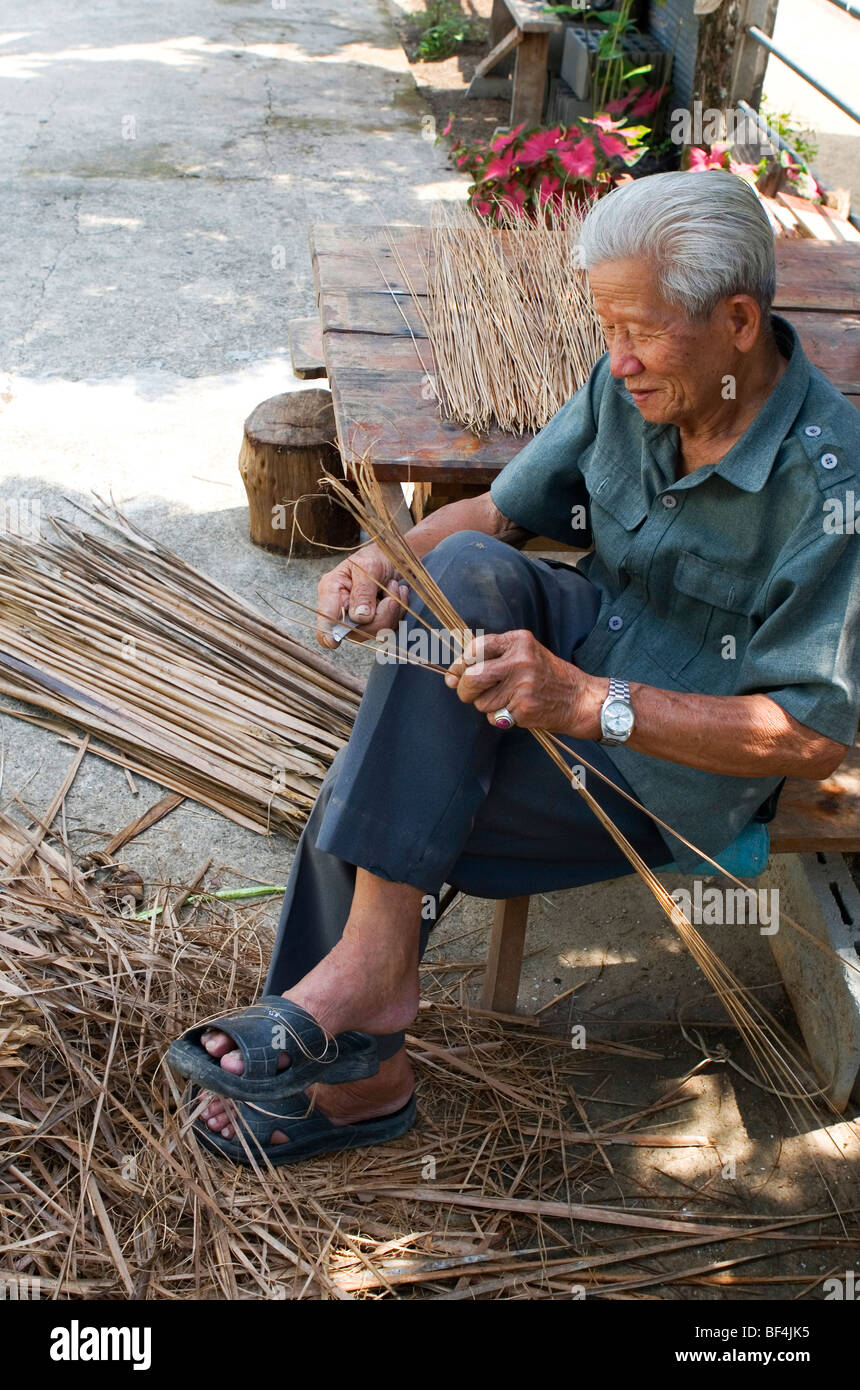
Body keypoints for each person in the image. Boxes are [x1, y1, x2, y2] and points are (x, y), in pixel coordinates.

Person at [170, 170, 859, 1165]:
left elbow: (807, 733)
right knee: (460, 568)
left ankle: (359, 1065)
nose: (615, 361)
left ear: (739, 319)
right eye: (605, 329)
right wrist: (383, 561)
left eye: (640, 331)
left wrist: (586, 701)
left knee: (369, 808)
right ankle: (365, 1010)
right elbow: (495, 517)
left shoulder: (831, 485)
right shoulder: (633, 384)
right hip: (588, 631)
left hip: (672, 755)